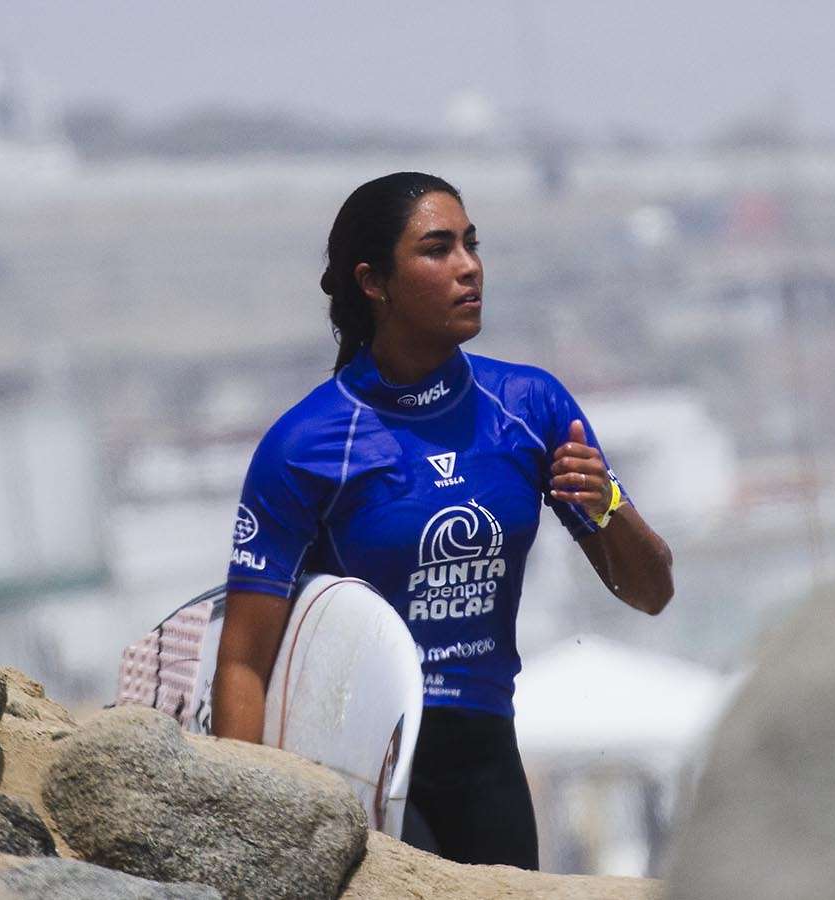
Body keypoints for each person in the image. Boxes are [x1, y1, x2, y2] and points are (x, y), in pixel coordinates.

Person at [211, 172, 674, 869]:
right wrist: (238, 828)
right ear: (374, 282)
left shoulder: (530, 405)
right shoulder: (308, 443)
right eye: (437, 249)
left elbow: (651, 593)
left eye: (470, 244)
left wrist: (607, 504)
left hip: (486, 760)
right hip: (358, 758)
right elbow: (245, 658)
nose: (468, 266)